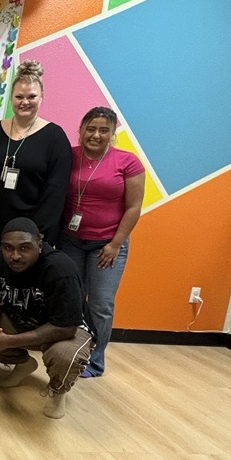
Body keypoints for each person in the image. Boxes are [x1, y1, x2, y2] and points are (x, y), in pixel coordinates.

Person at [0, 218, 94, 419]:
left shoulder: (60, 269)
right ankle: (23, 364)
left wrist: (9, 341)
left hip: (66, 330)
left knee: (64, 356)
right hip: (23, 322)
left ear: (40, 245)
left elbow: (66, 327)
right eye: (8, 248)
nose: (15, 256)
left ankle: (58, 391)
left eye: (24, 248)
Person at [59, 107, 145, 378]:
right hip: (70, 241)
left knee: (100, 303)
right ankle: (73, 353)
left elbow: (134, 207)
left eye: (104, 130)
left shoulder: (128, 162)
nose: (96, 135)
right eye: (91, 128)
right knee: (73, 299)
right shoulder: (68, 155)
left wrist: (115, 244)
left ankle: (95, 361)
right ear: (81, 130)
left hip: (107, 245)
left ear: (112, 133)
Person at [0, 60, 71, 257]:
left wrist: (36, 233)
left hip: (29, 236)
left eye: (31, 96)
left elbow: (55, 193)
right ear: (11, 97)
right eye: (19, 96)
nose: (25, 102)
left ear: (42, 97)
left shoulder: (55, 138)